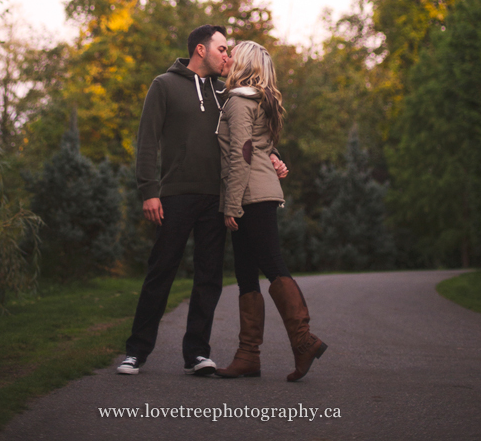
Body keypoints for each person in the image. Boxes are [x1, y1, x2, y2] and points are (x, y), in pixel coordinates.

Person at [116, 25, 287, 376]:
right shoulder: (163, 86)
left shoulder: (227, 93)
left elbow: (247, 137)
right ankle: (136, 351)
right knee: (161, 271)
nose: (228, 56)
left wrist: (273, 156)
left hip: (218, 198)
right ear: (200, 50)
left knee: (208, 276)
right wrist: (149, 190)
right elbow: (147, 141)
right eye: (222, 49)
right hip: (175, 194)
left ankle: (197, 353)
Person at [214, 40, 327, 382]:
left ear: (244, 63)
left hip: (250, 196)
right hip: (258, 192)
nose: (228, 57)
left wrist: (231, 205)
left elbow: (242, 153)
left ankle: (303, 340)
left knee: (272, 266)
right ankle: (248, 355)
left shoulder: (237, 101)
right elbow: (260, 147)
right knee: (247, 274)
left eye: (233, 53)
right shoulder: (258, 100)